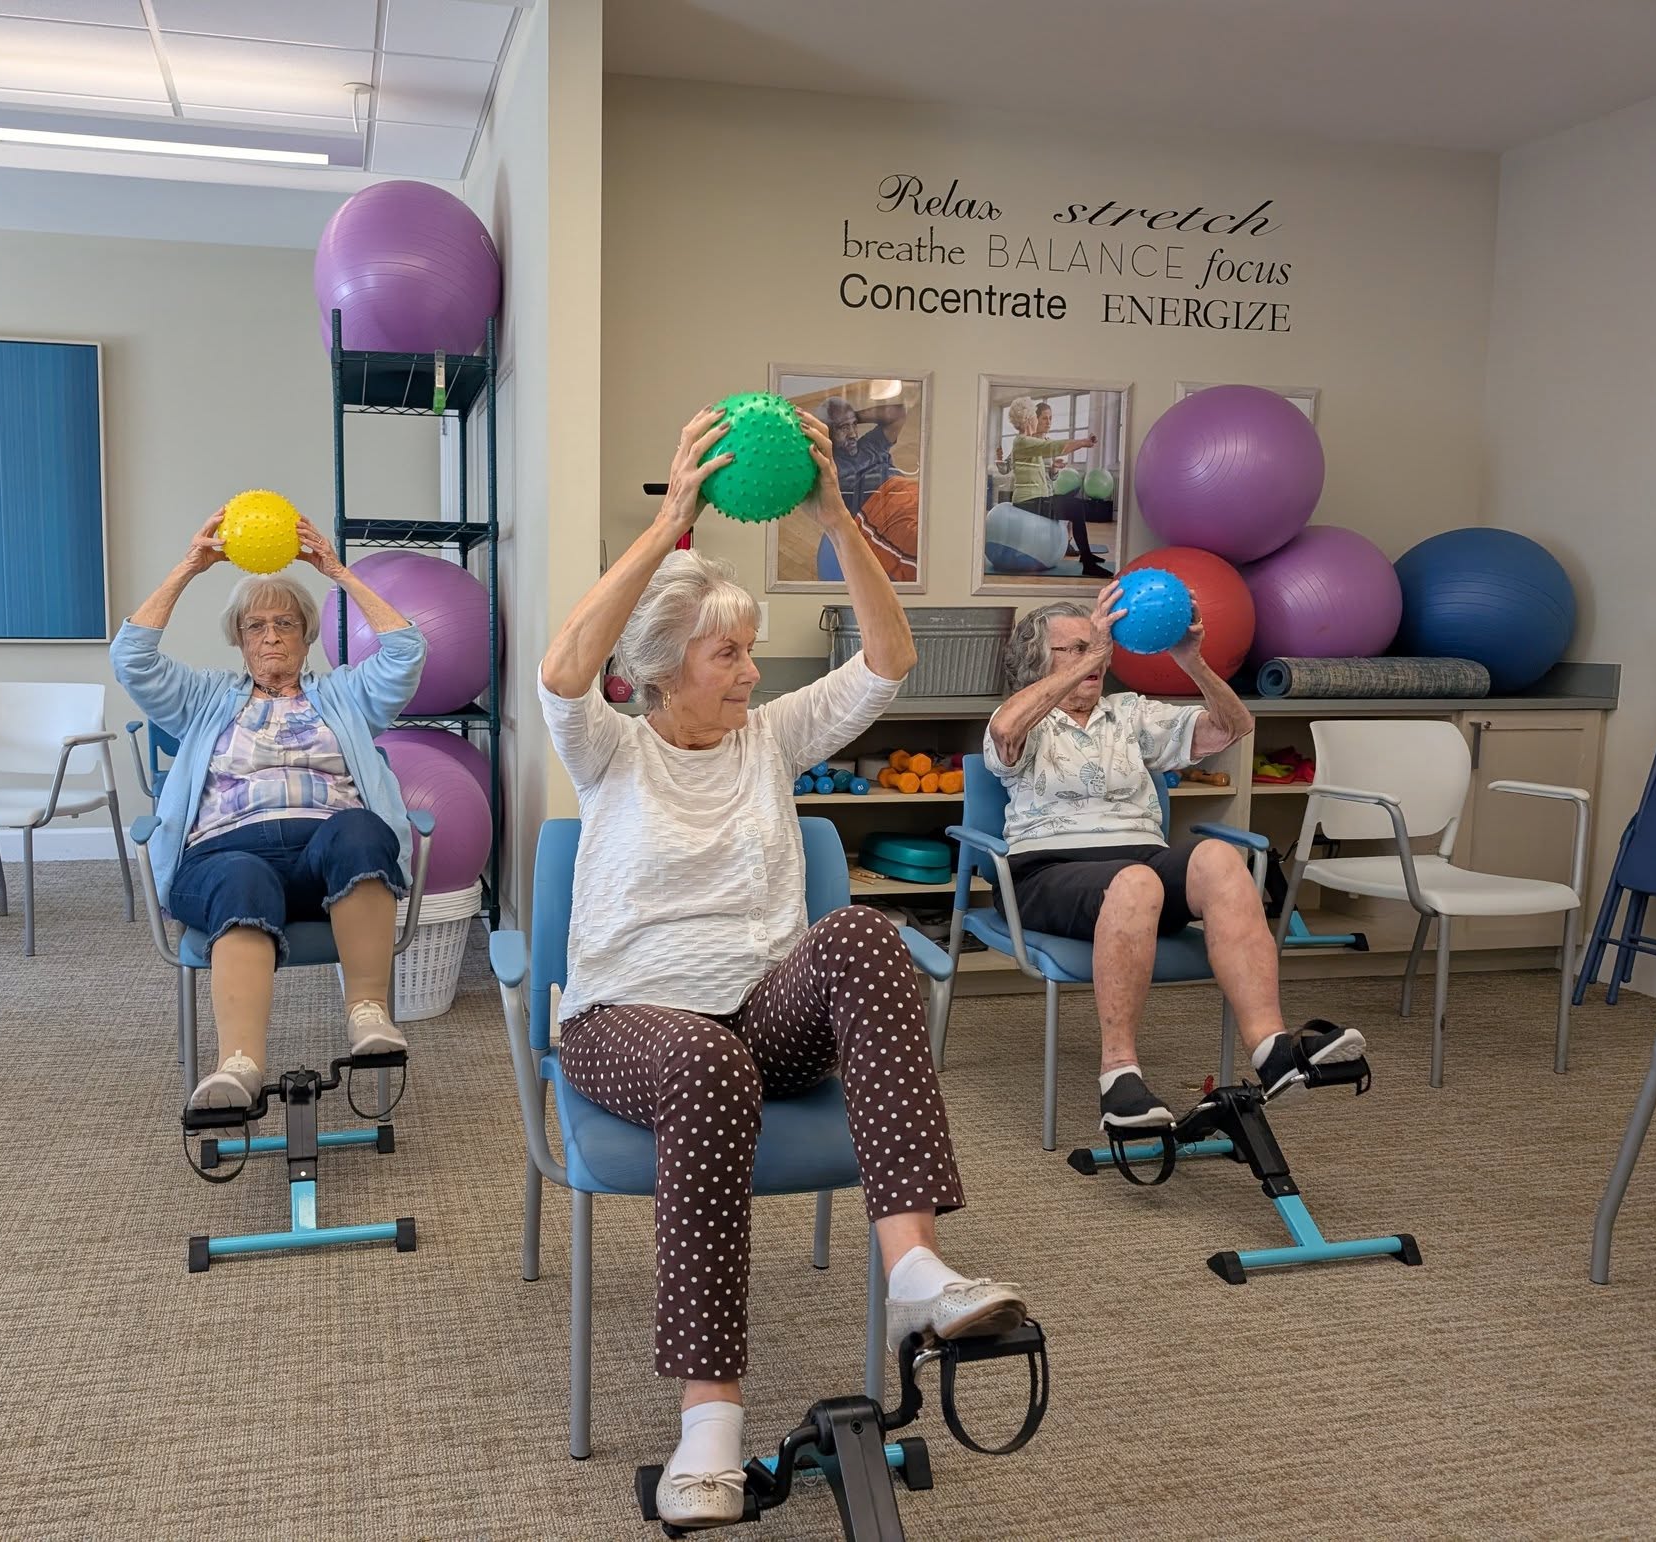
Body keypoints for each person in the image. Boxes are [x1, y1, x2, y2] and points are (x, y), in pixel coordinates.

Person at [541, 405, 1027, 1528]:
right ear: (663, 670)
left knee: (857, 934)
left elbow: (889, 660)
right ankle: (706, 1428)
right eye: (729, 653)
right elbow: (568, 668)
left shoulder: (771, 735)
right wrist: (672, 524)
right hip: (628, 1022)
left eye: (750, 650)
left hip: (762, 1014)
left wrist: (834, 517)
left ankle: (914, 1275)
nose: (750, 671)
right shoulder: (609, 750)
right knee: (706, 1063)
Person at [981, 588, 1365, 1133]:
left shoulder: (1129, 712)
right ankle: (1119, 1078)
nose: (1094, 657)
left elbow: (1233, 727)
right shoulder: (1023, 717)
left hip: (1140, 861)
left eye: (1097, 646)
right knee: (1135, 880)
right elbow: (1002, 733)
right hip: (1045, 870)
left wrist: (1193, 662)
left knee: (1218, 857)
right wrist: (1082, 666)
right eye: (1073, 649)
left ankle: (1272, 1050)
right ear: (1038, 662)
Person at [111, 510, 425, 1110]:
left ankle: (368, 1016)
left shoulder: (344, 696)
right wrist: (188, 568)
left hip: (324, 861)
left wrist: (338, 573)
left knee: (362, 829)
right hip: (224, 855)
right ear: (239, 638)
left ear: (308, 637)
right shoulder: (203, 698)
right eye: (256, 625)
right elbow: (132, 658)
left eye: (285, 623)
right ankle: (239, 1065)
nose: (272, 636)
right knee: (241, 876)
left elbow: (406, 651)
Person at [1004, 397, 1109, 578]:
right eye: (1039, 417)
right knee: (1076, 507)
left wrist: (1052, 469)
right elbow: (1053, 446)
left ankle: (1087, 558)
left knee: (1076, 505)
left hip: (1038, 497)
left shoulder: (1026, 442)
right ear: (1030, 418)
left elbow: (1045, 457)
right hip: (1028, 500)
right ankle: (1088, 562)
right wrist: (1083, 442)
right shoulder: (1022, 442)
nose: (1042, 421)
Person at [820, 396, 917, 581]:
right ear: (829, 433)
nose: (852, 434)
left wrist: (851, 416)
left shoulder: (872, 443)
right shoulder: (829, 465)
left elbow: (898, 413)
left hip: (908, 492)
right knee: (918, 545)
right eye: (843, 428)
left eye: (853, 425)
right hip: (879, 512)